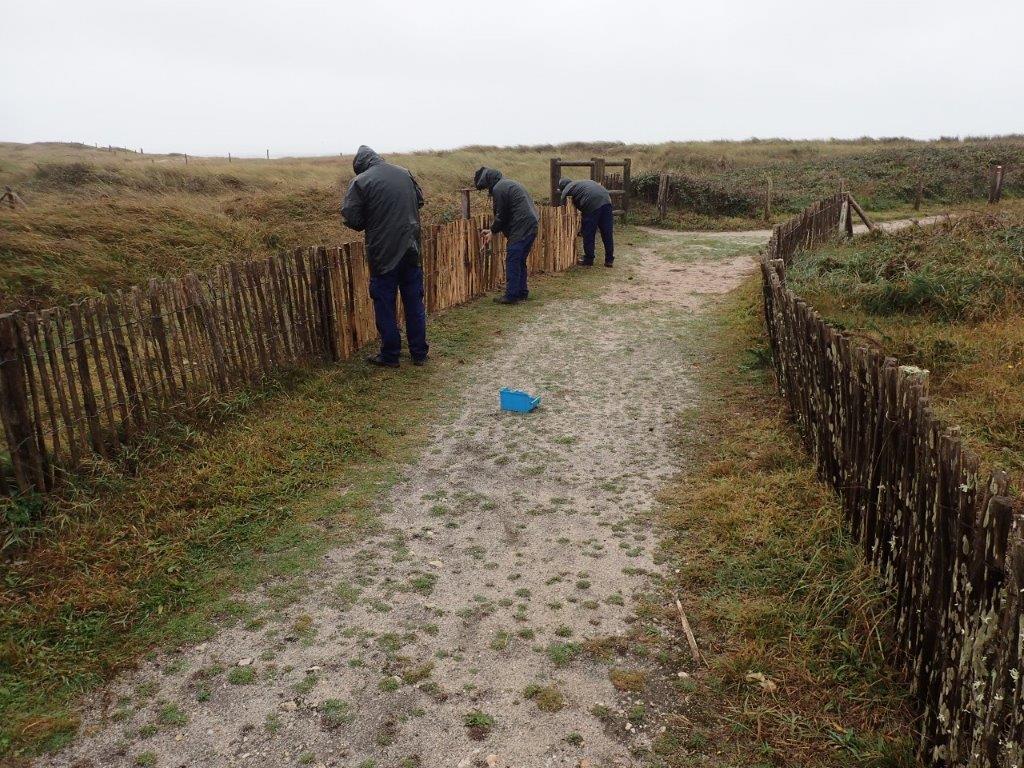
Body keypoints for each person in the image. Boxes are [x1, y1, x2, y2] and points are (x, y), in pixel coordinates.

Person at [342, 145, 429, 368]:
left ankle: (390, 354)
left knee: (384, 304)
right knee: (414, 302)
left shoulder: (360, 182)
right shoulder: (404, 172)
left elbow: (353, 218)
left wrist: (373, 218)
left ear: (360, 166)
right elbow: (419, 201)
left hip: (383, 253)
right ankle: (419, 353)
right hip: (411, 249)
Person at [474, 167, 539, 304]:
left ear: (488, 181)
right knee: (519, 260)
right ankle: (522, 292)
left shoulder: (499, 188)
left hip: (521, 227)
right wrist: (493, 231)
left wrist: (493, 230)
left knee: (513, 260)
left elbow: (501, 215)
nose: (487, 191)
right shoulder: (508, 184)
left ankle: (511, 296)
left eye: (486, 187)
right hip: (531, 224)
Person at [558, 177, 614, 267]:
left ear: (562, 187)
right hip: (606, 200)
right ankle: (609, 259)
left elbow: (562, 208)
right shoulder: (580, 183)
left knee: (588, 233)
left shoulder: (567, 189)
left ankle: (588, 259)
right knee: (607, 232)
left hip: (591, 204)